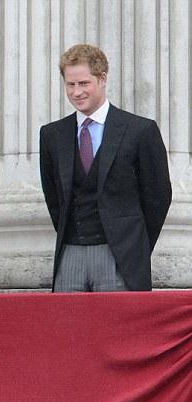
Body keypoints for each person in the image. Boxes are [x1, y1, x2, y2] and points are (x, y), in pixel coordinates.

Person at [40, 44, 171, 292]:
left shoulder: (140, 130)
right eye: (70, 85)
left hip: (121, 257)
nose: (76, 92)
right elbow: (54, 198)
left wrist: (134, 246)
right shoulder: (52, 135)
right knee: (67, 329)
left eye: (83, 83)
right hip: (70, 254)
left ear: (102, 79)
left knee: (120, 329)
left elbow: (158, 197)